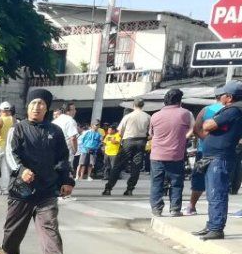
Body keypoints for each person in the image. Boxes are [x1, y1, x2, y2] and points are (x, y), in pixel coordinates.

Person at [2, 88, 74, 254]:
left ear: (47, 108)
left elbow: (63, 158)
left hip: (47, 189)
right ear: (28, 106)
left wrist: (67, 180)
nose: (37, 107)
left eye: (41, 103)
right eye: (33, 103)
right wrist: (21, 170)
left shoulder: (55, 131)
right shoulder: (17, 129)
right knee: (14, 228)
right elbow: (10, 153)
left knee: (49, 225)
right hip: (22, 189)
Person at [192, 82, 242, 241]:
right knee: (212, 194)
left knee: (217, 194)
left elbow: (207, 125)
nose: (219, 97)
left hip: (220, 158)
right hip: (214, 157)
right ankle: (211, 224)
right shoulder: (230, 110)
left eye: (222, 95)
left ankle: (216, 228)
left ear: (230, 97)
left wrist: (212, 120)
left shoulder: (233, 110)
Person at [148, 88, 194, 218]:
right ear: (180, 101)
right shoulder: (186, 113)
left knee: (157, 182)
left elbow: (151, 134)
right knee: (176, 182)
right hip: (176, 154)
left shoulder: (155, 115)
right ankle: (175, 209)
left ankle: (156, 209)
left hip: (157, 154)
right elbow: (192, 129)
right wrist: (182, 138)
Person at [103, 98, 150, 196]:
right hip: (141, 142)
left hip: (128, 141)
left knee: (118, 165)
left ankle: (109, 188)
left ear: (134, 105)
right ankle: (130, 189)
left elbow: (120, 132)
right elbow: (150, 134)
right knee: (136, 167)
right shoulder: (148, 117)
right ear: (143, 105)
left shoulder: (128, 116)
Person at [52, 102, 79, 168]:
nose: (75, 111)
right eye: (73, 109)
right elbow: (72, 138)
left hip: (53, 154)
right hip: (66, 155)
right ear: (67, 111)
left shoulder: (54, 121)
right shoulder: (70, 121)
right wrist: (75, 150)